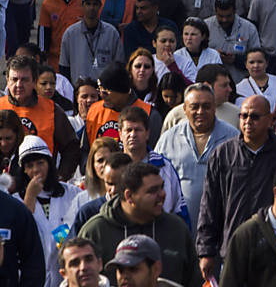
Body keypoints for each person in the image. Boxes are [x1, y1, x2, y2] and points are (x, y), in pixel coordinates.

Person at [196, 95, 276, 280]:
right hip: (233, 250)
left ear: (269, 120)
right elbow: (209, 205)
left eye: (254, 117)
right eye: (243, 116)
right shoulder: (223, 154)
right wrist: (206, 251)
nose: (247, 122)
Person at [79, 162, 203, 287]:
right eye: (153, 191)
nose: (162, 194)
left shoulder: (176, 228)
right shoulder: (96, 231)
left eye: (162, 187)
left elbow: (194, 280)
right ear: (129, 196)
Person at [154, 83, 239, 231]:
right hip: (178, 227)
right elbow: (154, 178)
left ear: (214, 108)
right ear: (185, 109)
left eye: (206, 106)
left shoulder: (233, 137)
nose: (200, 111)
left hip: (221, 226)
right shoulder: (168, 139)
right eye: (194, 106)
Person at [13, 135, 83, 285]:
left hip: (66, 276)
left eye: (40, 163)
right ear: (24, 170)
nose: (36, 170)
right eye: (30, 166)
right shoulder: (15, 201)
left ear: (49, 164)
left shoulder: (71, 193)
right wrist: (30, 197)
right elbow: (21, 234)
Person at [1, 55, 80, 180]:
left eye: (25, 80)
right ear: (7, 80)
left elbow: (72, 148)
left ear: (34, 81)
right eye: (14, 79)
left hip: (42, 187)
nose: (19, 85)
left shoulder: (52, 110)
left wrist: (60, 178)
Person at [58, 0, 124, 83]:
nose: (92, 8)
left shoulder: (111, 33)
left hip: (104, 90)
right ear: (82, 6)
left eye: (95, 4)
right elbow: (64, 67)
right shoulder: (70, 34)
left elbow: (119, 65)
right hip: (78, 90)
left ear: (100, 6)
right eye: (88, 4)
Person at [205, 0, 261, 84]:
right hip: (213, 84)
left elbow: (257, 59)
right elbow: (198, 56)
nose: (224, 20)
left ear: (235, 11)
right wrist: (214, 55)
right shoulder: (205, 26)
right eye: (220, 16)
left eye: (228, 16)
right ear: (215, 12)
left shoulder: (249, 28)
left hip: (242, 83)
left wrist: (235, 59)